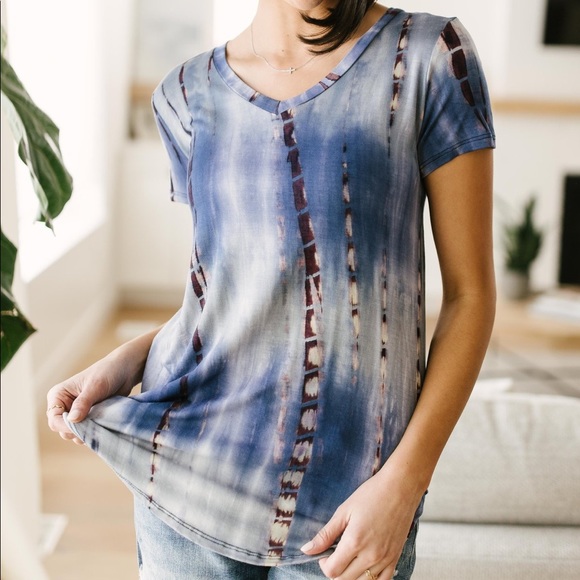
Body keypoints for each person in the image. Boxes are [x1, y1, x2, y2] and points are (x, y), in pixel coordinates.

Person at [46, 1, 496, 578]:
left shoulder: (427, 58)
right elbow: (238, 294)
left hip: (347, 508)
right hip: (187, 482)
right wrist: (130, 358)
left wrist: (405, 485)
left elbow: (470, 296)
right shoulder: (184, 93)